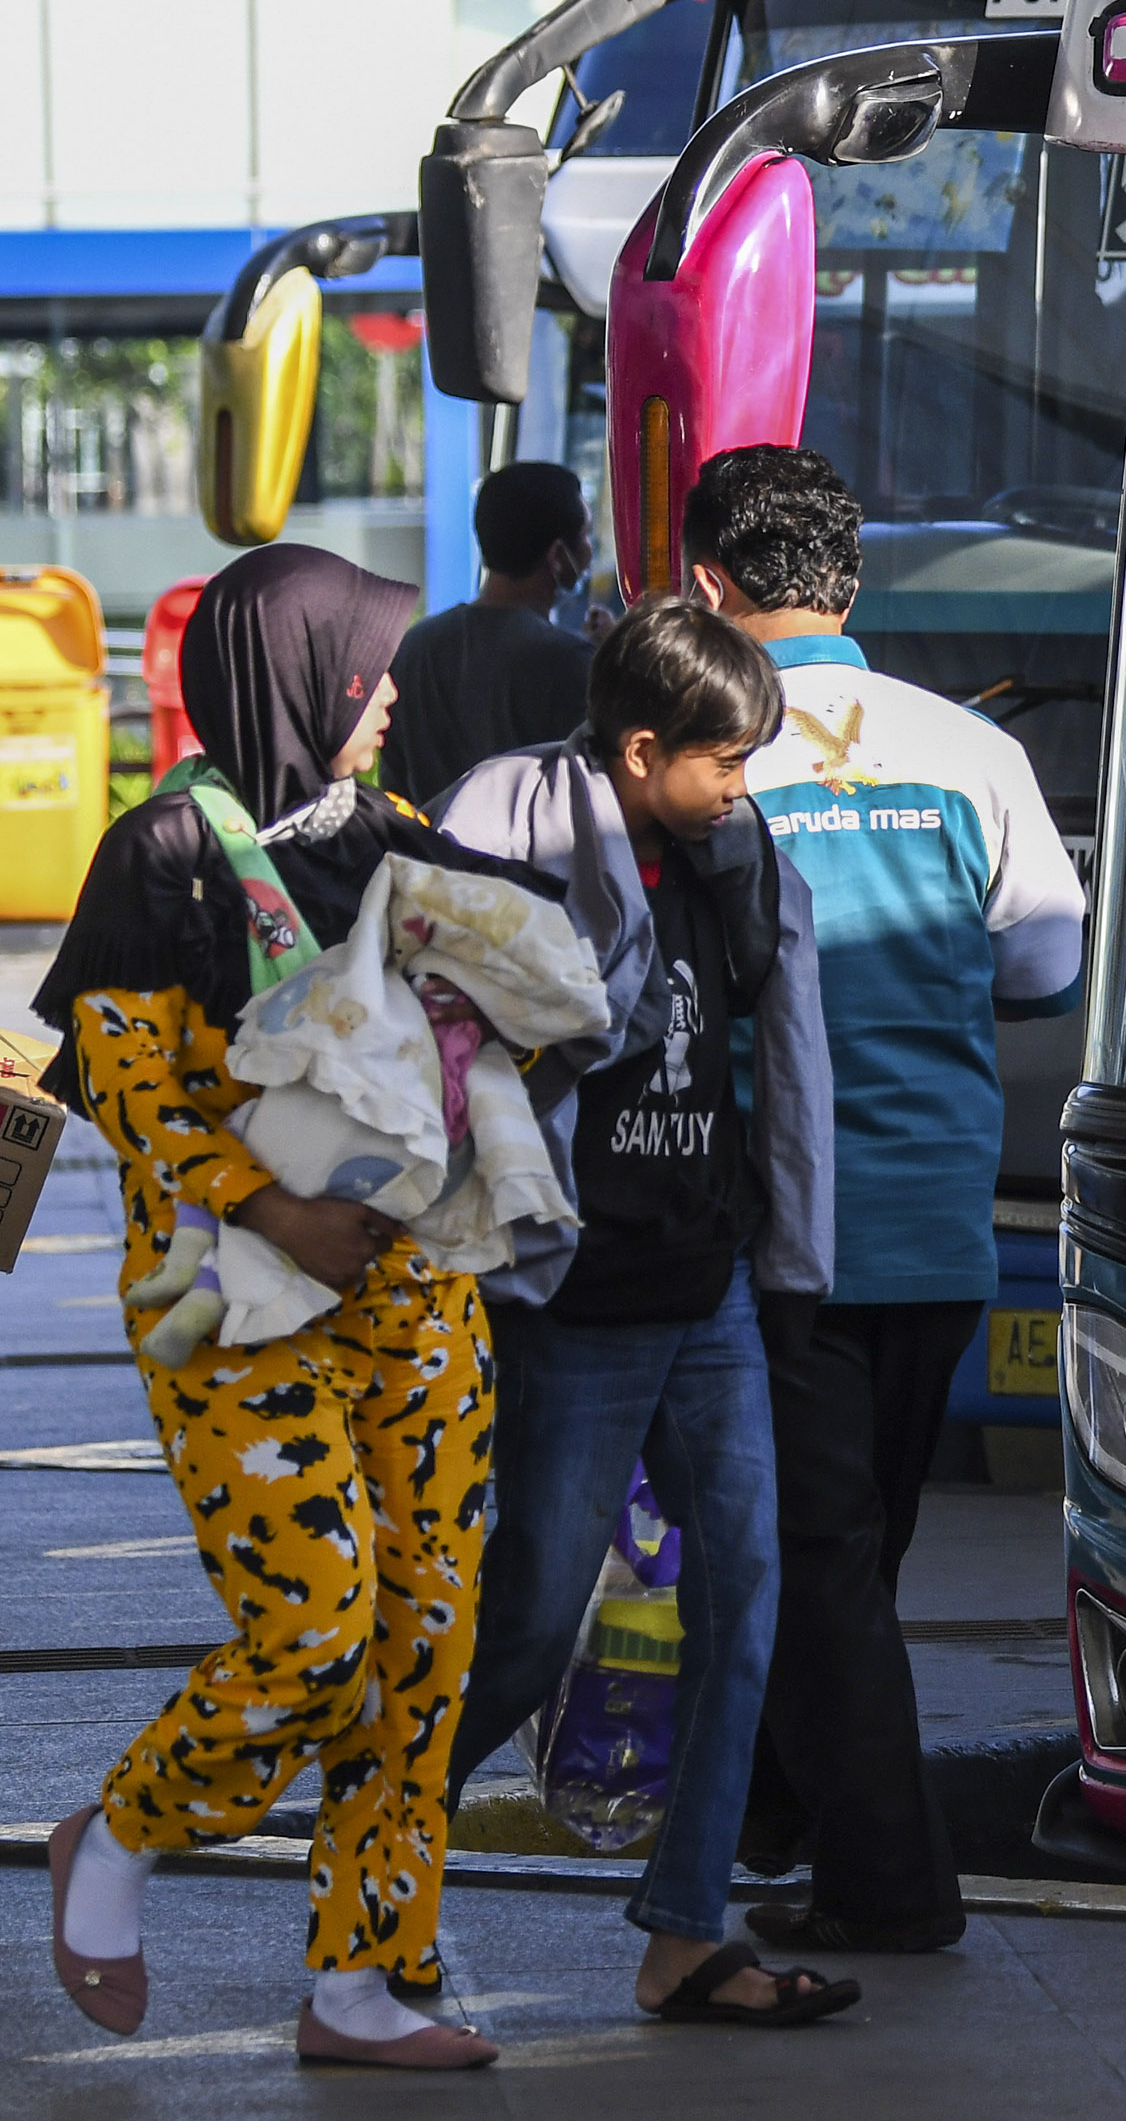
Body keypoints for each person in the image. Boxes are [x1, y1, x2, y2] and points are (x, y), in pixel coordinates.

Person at [33, 546, 523, 2067]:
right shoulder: (163, 854)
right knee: (315, 1630)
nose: (388, 701)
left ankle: (366, 1982)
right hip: (230, 1299)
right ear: (299, 673)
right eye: (369, 671)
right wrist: (274, 1204)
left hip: (414, 1298)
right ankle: (122, 1829)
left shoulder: (394, 834)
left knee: (421, 1646)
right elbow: (132, 1093)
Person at [679, 446, 1084, 1954]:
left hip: (780, 1224)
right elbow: (1044, 963)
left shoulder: (703, 754)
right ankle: (783, 1810)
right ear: (850, 581)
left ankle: (888, 1883)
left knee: (815, 1555)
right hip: (940, 1218)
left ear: (707, 585)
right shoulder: (969, 747)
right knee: (857, 1543)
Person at [434, 601, 860, 2030]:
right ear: (638, 748)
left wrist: (789, 1268)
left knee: (746, 1595)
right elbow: (457, 1033)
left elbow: (783, 1051)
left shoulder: (735, 856)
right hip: (578, 1297)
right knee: (529, 1622)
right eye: (725, 758)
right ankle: (380, 1838)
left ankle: (685, 1934)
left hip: (710, 1282)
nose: (744, 784)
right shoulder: (516, 832)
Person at [379, 462, 599, 805]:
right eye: (585, 535)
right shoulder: (570, 661)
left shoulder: (414, 647)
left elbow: (393, 786)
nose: (589, 550)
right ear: (557, 555)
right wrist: (608, 667)